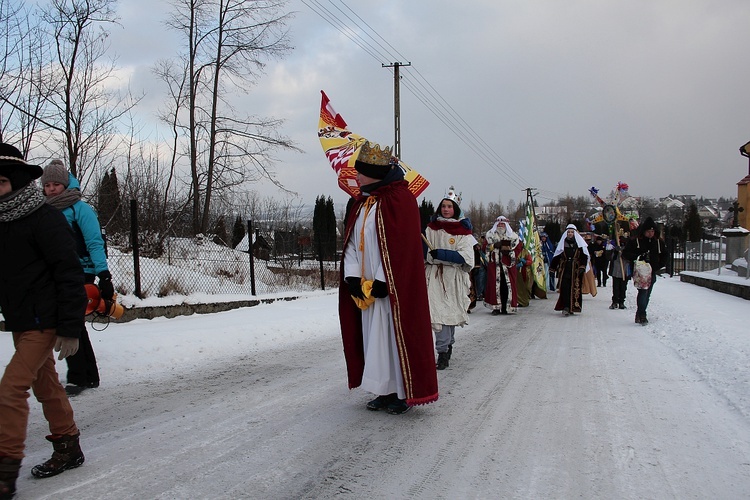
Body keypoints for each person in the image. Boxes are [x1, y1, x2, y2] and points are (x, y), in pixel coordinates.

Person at [0, 143, 87, 500]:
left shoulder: (43, 218)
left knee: (11, 388)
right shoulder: (2, 221)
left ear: (17, 181)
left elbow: (69, 273)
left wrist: (69, 327)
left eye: (1, 181)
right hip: (20, 318)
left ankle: (5, 473)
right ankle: (68, 445)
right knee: (45, 384)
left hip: (44, 318)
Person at [339, 141, 438, 415]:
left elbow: (402, 248)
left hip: (393, 288)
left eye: (361, 172)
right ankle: (383, 389)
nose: (356, 176)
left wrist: (384, 280)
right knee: (373, 338)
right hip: (367, 288)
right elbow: (350, 244)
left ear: (375, 173)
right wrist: (352, 277)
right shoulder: (360, 203)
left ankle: (402, 392)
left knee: (394, 338)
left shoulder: (400, 199)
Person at [41, 159, 113, 396]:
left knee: (70, 321)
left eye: (56, 184)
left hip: (82, 271)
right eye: (47, 184)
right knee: (74, 323)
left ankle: (78, 376)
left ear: (65, 184)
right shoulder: (42, 210)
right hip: (55, 272)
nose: (51, 189)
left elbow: (94, 242)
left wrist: (103, 275)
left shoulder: (79, 209)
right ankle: (88, 375)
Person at [424, 189, 476, 370]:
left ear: (455, 209)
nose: (446, 209)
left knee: (448, 314)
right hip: (434, 276)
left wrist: (443, 254)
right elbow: (423, 253)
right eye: (443, 206)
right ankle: (442, 350)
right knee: (438, 313)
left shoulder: (464, 232)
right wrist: (428, 253)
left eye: (449, 206)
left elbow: (466, 257)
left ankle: (446, 348)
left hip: (453, 277)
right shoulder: (431, 228)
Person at [622, 217, 668, 324]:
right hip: (640, 271)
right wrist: (638, 257)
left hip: (652, 271)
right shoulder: (636, 241)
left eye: (652, 231)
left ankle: (640, 312)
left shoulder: (658, 242)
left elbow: (665, 254)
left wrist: (659, 265)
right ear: (644, 231)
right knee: (643, 292)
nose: (651, 233)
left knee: (647, 294)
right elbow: (626, 253)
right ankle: (642, 314)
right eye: (648, 231)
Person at [483, 216, 522, 315]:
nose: (500, 226)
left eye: (502, 224)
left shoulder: (513, 236)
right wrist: (493, 246)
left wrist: (509, 252)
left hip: (508, 265)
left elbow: (517, 249)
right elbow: (485, 248)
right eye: (499, 224)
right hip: (495, 265)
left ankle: (506, 307)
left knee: (507, 285)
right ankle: (496, 307)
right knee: (495, 285)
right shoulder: (490, 235)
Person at [550, 224, 590, 316]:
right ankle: (566, 307)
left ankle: (573, 307)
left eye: (572, 232)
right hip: (565, 269)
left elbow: (584, 257)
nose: (570, 234)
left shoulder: (579, 245)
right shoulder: (563, 244)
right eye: (569, 232)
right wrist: (553, 268)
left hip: (575, 270)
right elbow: (557, 255)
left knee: (575, 289)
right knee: (565, 288)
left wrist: (582, 267)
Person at [608, 234, 631, 310]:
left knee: (623, 287)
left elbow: (630, 257)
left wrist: (623, 253)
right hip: (616, 270)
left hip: (625, 270)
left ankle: (621, 302)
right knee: (616, 287)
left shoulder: (628, 248)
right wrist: (616, 252)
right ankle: (615, 301)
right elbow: (611, 257)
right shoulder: (615, 249)